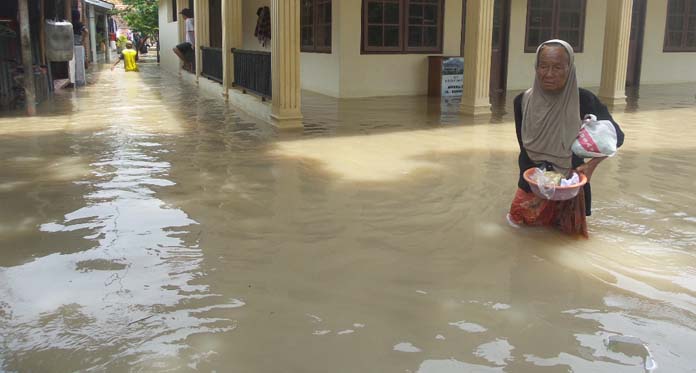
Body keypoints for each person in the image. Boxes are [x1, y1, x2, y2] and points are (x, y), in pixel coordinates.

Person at [507, 39, 625, 237]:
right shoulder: (522, 102)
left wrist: (591, 166)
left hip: (570, 187)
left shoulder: (584, 101)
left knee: (568, 240)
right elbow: (524, 146)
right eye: (543, 66)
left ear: (569, 69)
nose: (549, 74)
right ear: (536, 67)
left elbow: (617, 138)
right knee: (520, 234)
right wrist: (538, 176)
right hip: (532, 185)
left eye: (557, 67)